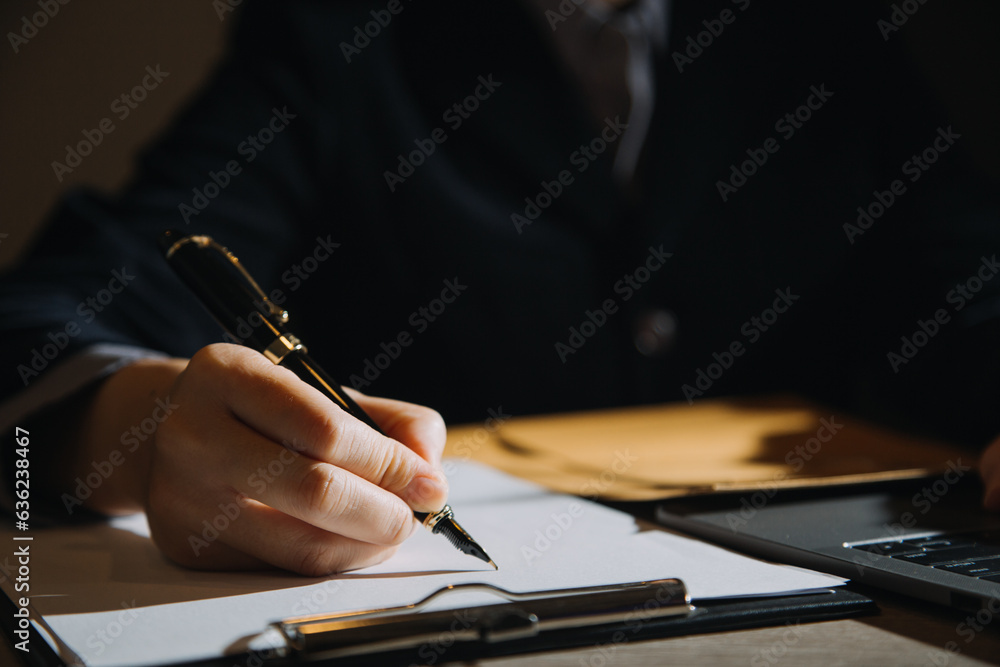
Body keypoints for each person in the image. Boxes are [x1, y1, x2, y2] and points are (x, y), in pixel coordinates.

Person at [1, 0, 998, 575]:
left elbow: (968, 291)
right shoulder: (341, 34)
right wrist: (133, 423)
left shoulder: (829, 34)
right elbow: (67, 307)